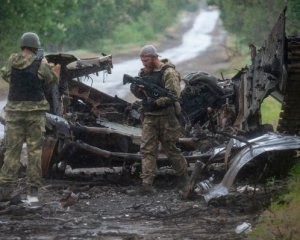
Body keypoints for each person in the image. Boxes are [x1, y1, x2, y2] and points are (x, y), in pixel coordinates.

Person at [0, 32, 60, 202]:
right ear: (36, 47)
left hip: (14, 114)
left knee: (12, 151)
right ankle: (33, 191)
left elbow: (5, 75)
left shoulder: (12, 60)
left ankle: (4, 190)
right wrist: (51, 68)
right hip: (35, 115)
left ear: (22, 46)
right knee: (34, 152)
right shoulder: (41, 64)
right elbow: (50, 82)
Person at [130, 44, 189, 194]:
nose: (144, 63)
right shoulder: (143, 73)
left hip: (167, 116)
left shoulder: (168, 72)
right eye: (142, 60)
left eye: (146, 60)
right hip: (150, 117)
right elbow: (140, 94)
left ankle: (185, 179)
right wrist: (137, 90)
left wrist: (156, 102)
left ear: (155, 58)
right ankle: (147, 185)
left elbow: (174, 95)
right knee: (147, 150)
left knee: (171, 149)